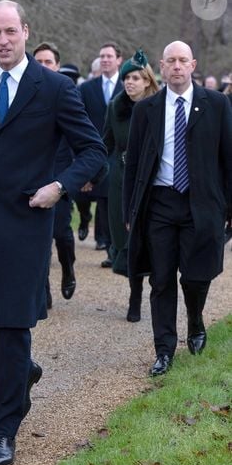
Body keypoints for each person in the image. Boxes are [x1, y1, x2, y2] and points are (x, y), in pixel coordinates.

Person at [0, 0, 106, 465]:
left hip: (25, 222)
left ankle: (4, 431)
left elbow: (92, 151)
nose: (2, 40)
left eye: (10, 32)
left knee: (12, 323)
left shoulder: (54, 88)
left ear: (25, 32)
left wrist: (58, 187)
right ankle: (24, 374)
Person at [123, 41, 232, 376]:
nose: (176, 66)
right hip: (160, 203)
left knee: (197, 275)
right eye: (170, 60)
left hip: (202, 203)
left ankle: (196, 321)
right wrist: (130, 211)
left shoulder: (216, 104)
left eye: (182, 60)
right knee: (161, 278)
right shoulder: (147, 109)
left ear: (193, 65)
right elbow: (135, 163)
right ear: (161, 66)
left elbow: (228, 158)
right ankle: (164, 349)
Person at [102, 49, 159, 322]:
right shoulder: (115, 106)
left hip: (153, 182)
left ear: (147, 80)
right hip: (121, 180)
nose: (130, 82)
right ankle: (134, 295)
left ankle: (158, 290)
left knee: (155, 238)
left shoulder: (160, 106)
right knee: (127, 238)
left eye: (136, 77)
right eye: (126, 78)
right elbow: (106, 143)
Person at [33, 41, 77, 307]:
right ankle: (42, 286)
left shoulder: (65, 92)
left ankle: (68, 269)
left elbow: (79, 139)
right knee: (39, 238)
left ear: (57, 66)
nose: (43, 67)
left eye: (48, 62)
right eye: (38, 62)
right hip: (33, 177)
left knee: (61, 232)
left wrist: (76, 178)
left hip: (61, 174)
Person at [77, 42, 123, 260]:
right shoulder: (86, 88)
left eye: (109, 56)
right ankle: (101, 235)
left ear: (118, 60)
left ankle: (109, 245)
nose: (105, 59)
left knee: (108, 196)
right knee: (86, 194)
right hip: (93, 148)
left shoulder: (127, 86)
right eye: (102, 56)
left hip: (119, 151)